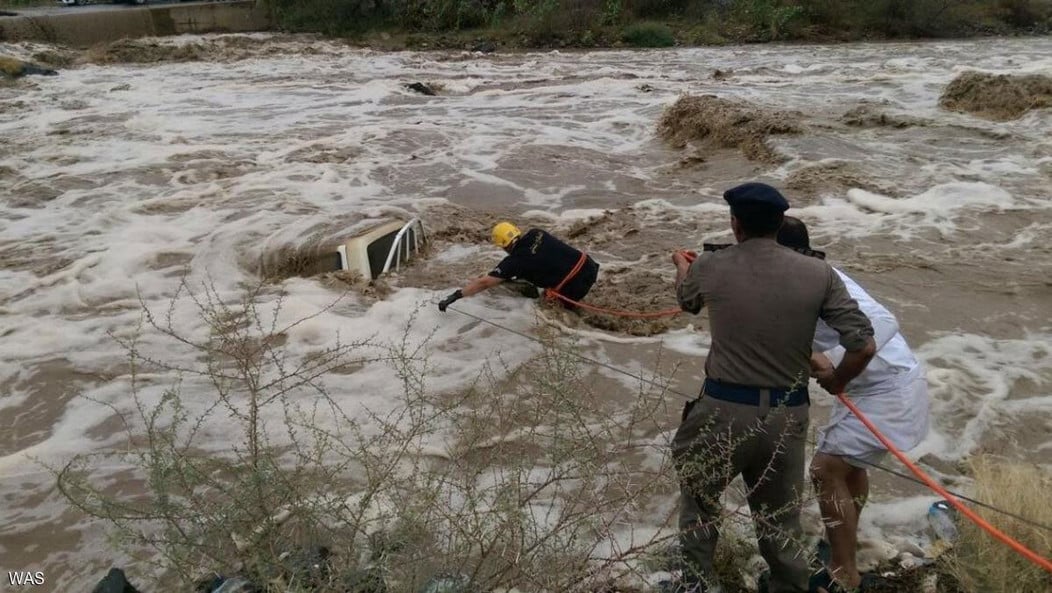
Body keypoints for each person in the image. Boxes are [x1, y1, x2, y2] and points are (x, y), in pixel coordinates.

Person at [670, 182, 877, 593]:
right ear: (780, 223)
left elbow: (687, 300)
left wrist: (681, 265)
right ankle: (788, 585)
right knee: (779, 518)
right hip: (786, 415)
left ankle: (698, 585)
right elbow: (863, 344)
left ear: (735, 224)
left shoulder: (711, 265)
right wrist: (837, 381)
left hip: (722, 410)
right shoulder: (820, 273)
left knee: (700, 507)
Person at [777, 216, 931, 593]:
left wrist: (838, 374)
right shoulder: (794, 275)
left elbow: (881, 323)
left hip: (887, 388)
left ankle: (844, 571)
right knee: (848, 467)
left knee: (825, 469)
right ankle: (843, 546)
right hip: (869, 385)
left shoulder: (824, 280)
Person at [437, 222, 599, 312]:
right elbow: (542, 256)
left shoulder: (514, 262)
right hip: (589, 266)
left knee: (549, 313)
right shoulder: (537, 233)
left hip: (573, 287)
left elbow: (484, 283)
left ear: (503, 246)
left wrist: (455, 296)